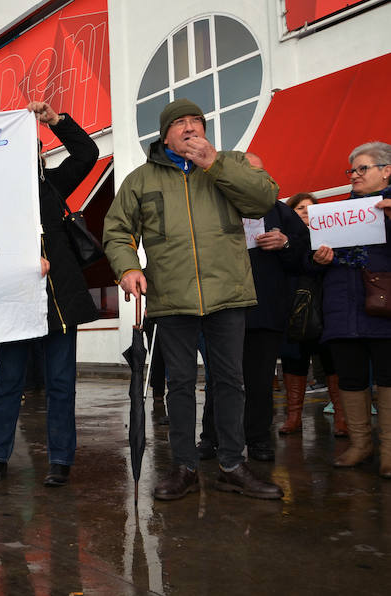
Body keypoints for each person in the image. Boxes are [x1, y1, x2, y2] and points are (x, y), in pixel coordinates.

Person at [103, 98, 284, 500]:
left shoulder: (230, 163)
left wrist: (214, 164)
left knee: (231, 382)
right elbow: (117, 231)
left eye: (196, 122)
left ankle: (233, 465)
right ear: (165, 134)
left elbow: (264, 199)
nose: (190, 128)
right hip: (171, 297)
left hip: (228, 294)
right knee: (180, 384)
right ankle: (184, 467)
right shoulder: (140, 180)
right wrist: (128, 267)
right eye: (180, 123)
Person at [0, 100, 100, 488]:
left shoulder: (53, 186)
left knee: (61, 383)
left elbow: (88, 153)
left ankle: (61, 459)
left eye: (32, 148)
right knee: (9, 382)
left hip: (60, 300)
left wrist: (56, 121)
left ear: (39, 153)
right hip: (15, 302)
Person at [198, 153, 309, 462]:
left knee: (260, 381)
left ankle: (258, 438)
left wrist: (285, 243)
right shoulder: (214, 208)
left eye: (259, 173)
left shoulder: (280, 211)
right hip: (221, 306)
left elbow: (303, 255)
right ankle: (212, 437)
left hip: (265, 309)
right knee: (220, 379)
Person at [313, 142, 391, 478]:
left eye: (362, 169)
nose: (355, 175)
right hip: (342, 309)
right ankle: (361, 444)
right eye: (352, 170)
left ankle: (389, 449)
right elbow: (310, 260)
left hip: (384, 307)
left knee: (389, 378)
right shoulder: (336, 214)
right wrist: (318, 258)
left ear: (386, 170)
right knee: (351, 378)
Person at [280, 192, 346, 436]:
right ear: (291, 212)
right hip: (295, 307)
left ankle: (341, 417)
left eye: (311, 208)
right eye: (300, 208)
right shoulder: (286, 239)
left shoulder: (334, 236)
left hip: (326, 306)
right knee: (294, 361)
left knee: (332, 362)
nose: (306, 212)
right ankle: (293, 417)